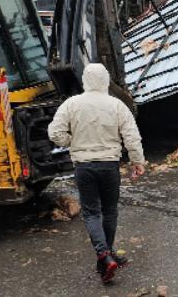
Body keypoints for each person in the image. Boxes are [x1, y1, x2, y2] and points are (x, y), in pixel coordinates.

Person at [48, 64, 146, 284]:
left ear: (85, 81)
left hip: (84, 167)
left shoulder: (71, 104)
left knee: (92, 213)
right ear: (106, 80)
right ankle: (106, 255)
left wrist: (70, 141)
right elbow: (132, 136)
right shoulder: (117, 105)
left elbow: (54, 132)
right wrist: (137, 161)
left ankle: (103, 255)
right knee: (109, 211)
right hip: (109, 166)